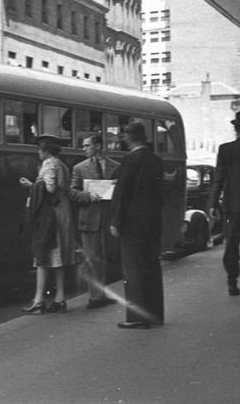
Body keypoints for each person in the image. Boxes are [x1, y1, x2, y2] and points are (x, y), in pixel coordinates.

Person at [110, 121, 164, 329]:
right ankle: (155, 314)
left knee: (133, 269)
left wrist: (116, 221)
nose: (123, 138)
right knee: (151, 265)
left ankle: (137, 317)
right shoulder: (155, 160)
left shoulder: (130, 160)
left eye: (124, 135)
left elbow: (122, 193)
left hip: (132, 222)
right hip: (153, 221)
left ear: (129, 137)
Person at [19, 134, 75, 314]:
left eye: (39, 149)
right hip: (62, 212)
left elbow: (49, 188)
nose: (38, 153)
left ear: (46, 150)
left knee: (42, 254)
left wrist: (31, 185)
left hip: (51, 215)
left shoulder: (49, 163)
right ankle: (60, 299)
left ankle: (39, 301)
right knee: (58, 259)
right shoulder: (61, 164)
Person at [69, 134, 120, 309]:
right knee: (92, 258)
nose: (83, 149)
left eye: (87, 145)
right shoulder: (79, 168)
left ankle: (100, 294)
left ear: (98, 146)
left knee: (104, 258)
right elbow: (71, 192)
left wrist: (116, 186)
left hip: (107, 219)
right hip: (89, 219)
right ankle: (94, 297)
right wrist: (87, 195)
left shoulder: (115, 166)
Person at [210, 110, 240, 296]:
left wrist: (213, 204)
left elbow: (219, 179)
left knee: (231, 243)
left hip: (233, 204)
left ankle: (232, 282)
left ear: (236, 129)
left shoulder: (225, 150)